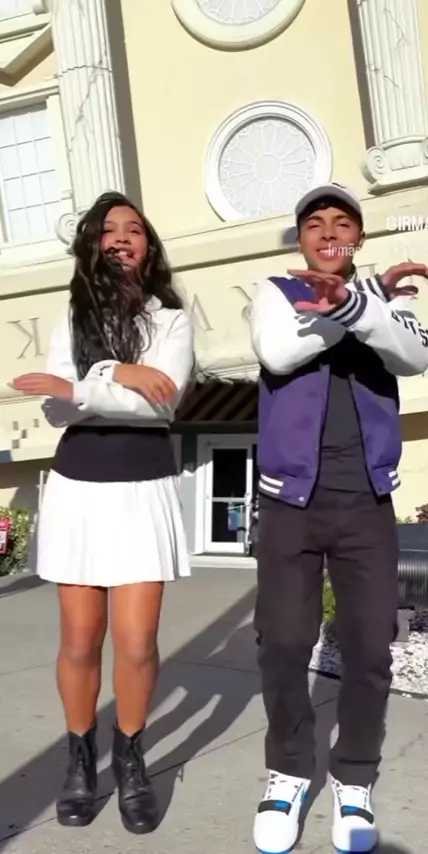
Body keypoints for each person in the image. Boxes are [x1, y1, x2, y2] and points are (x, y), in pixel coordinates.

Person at [248, 183, 428, 854]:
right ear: (301, 239)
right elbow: (279, 352)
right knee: (283, 642)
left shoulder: (388, 302)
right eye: (315, 223)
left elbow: (416, 354)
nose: (328, 231)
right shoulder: (275, 292)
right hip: (290, 503)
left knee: (369, 647)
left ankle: (353, 778)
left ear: (358, 236)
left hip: (366, 503)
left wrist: (364, 304)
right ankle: (289, 772)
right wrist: (353, 308)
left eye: (342, 222)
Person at [12, 192, 194, 835]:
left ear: (148, 246)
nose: (121, 238)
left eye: (133, 230)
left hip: (143, 487)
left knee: (137, 644)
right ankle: (80, 760)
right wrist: (120, 377)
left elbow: (160, 405)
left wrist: (96, 379)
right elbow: (55, 409)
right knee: (80, 642)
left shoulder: (171, 319)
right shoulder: (72, 316)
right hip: (78, 487)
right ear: (92, 244)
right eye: (108, 230)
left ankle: (132, 759)